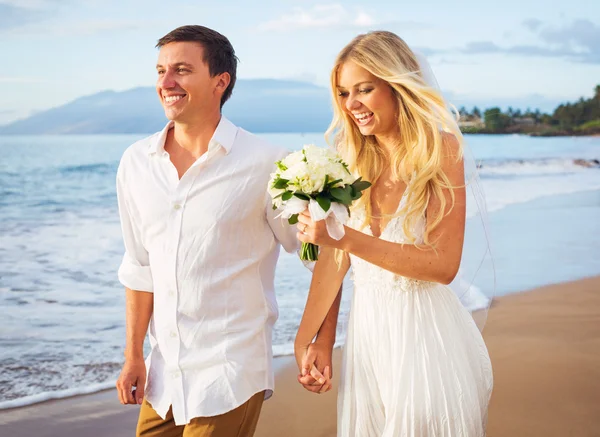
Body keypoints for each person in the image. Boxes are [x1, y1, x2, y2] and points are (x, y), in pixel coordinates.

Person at [113, 25, 330, 437]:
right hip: (166, 377)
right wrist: (133, 355)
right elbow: (140, 266)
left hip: (231, 372)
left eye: (181, 70)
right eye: (160, 71)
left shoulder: (268, 163)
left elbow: (320, 257)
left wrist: (316, 340)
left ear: (220, 81)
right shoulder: (136, 162)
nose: (166, 83)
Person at [294, 31, 493, 436]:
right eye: (345, 93)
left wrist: (342, 237)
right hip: (368, 337)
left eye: (364, 89)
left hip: (425, 335)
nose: (353, 105)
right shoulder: (348, 162)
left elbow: (442, 265)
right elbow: (335, 263)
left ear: (397, 85)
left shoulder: (442, 152)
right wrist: (319, 339)